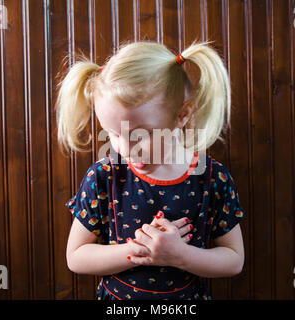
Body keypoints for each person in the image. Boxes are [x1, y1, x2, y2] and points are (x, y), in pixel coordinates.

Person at [56, 40, 245, 300]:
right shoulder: (104, 176)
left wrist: (179, 255)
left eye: (139, 135)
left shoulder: (212, 178)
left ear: (182, 115)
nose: (125, 148)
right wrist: (141, 249)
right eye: (112, 133)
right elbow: (76, 257)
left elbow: (234, 260)